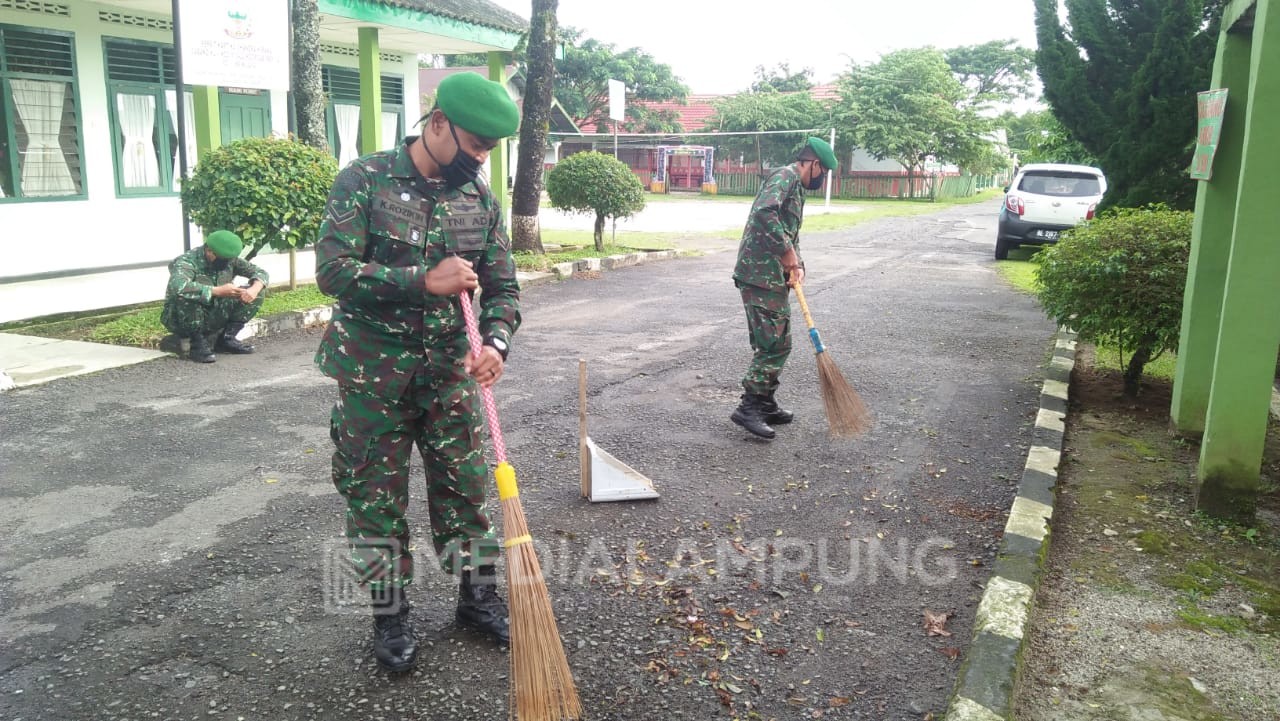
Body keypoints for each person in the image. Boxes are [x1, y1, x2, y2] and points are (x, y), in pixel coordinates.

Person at [313, 71, 522, 672]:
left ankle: (476, 599)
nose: (479, 160)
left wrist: (497, 344)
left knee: (464, 489)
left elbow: (504, 286)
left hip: (449, 374)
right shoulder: (363, 180)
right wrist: (419, 281)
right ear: (436, 125)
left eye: (488, 150)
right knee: (374, 498)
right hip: (372, 375)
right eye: (475, 146)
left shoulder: (478, 198)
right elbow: (333, 272)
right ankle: (390, 610)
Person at [730, 137, 839, 440]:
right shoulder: (785, 176)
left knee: (779, 339)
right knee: (773, 344)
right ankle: (749, 406)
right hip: (759, 273)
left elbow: (790, 232)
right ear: (814, 163)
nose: (823, 178)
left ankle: (765, 402)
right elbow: (764, 213)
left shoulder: (796, 188)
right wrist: (785, 252)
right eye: (824, 171)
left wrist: (797, 263)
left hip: (772, 275)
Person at [160, 230, 268, 363]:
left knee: (257, 291)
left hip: (214, 313)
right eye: (223, 259)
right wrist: (217, 291)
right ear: (209, 251)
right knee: (187, 296)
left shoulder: (230, 260)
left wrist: (254, 289)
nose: (227, 263)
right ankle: (196, 345)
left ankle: (227, 339)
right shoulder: (187, 261)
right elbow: (177, 286)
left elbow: (260, 272)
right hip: (180, 318)